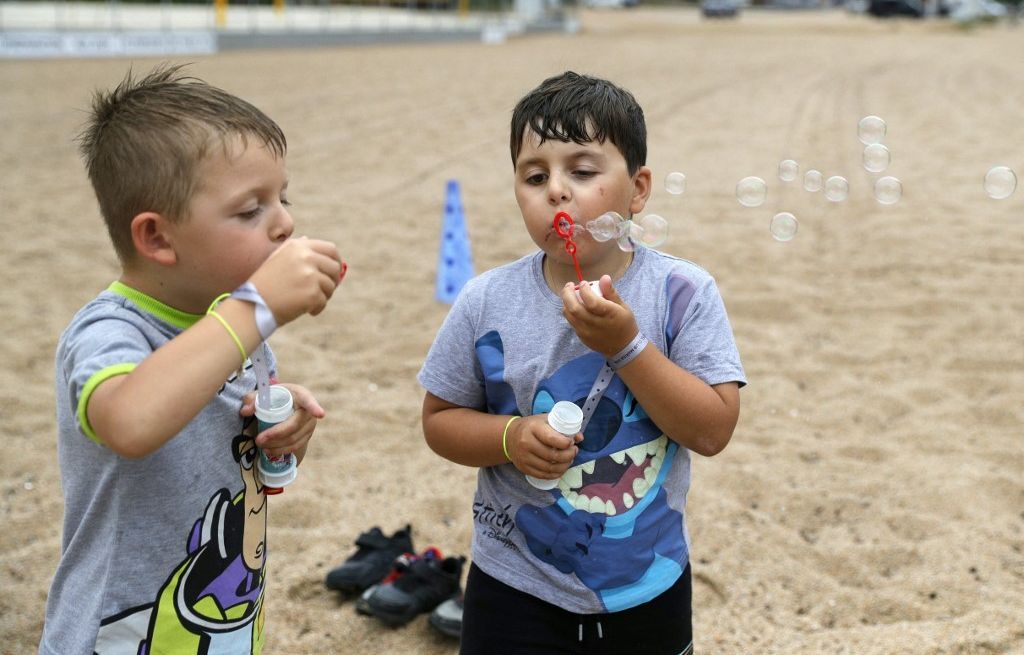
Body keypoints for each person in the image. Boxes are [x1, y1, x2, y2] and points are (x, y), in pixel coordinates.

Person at [417, 71, 746, 655]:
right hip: (512, 584)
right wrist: (511, 436)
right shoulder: (486, 301)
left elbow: (713, 429)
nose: (557, 192)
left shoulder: (682, 293)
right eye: (535, 176)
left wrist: (627, 347)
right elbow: (440, 420)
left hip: (649, 584)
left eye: (584, 171)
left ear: (638, 190)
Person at [39, 64, 344, 655]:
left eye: (283, 198)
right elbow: (129, 422)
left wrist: (283, 428)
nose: (285, 222)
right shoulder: (108, 331)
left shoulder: (230, 323)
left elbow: (226, 433)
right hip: (122, 632)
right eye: (250, 209)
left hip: (220, 614)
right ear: (157, 238)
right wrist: (256, 309)